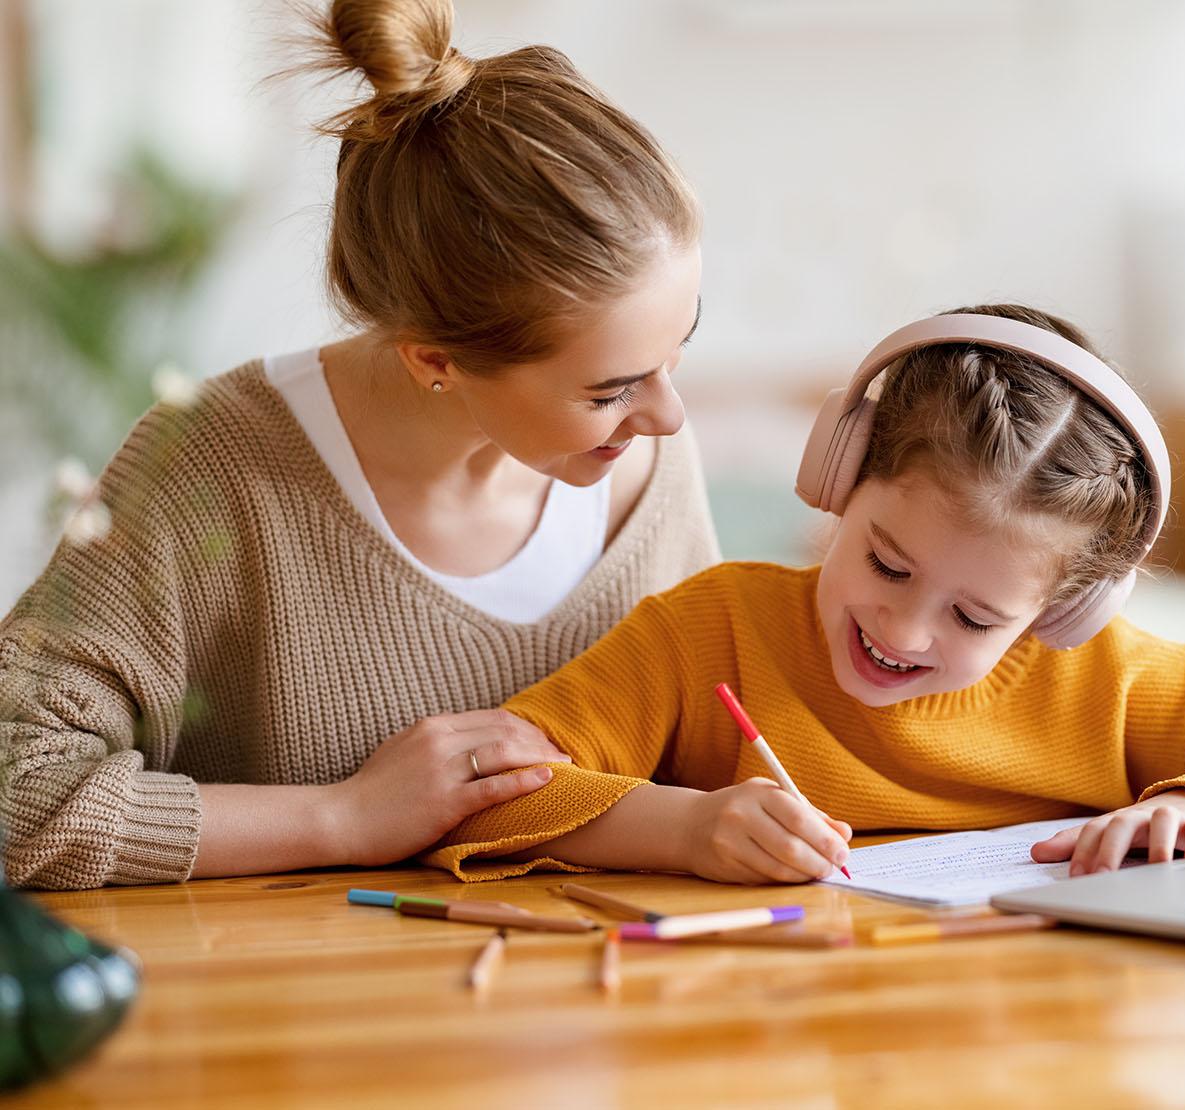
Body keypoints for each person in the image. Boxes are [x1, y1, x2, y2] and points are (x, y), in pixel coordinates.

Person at [0, 0, 718, 890]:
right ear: (436, 361)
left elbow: (721, 738)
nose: (668, 416)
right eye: (610, 390)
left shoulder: (646, 468)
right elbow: (15, 788)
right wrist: (342, 815)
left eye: (677, 350)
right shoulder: (214, 466)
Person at [421, 304, 1185, 885]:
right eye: (886, 562)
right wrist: (681, 827)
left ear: (1063, 610)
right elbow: (486, 794)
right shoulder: (707, 630)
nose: (904, 625)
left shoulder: (1109, 678)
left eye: (975, 617)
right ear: (836, 482)